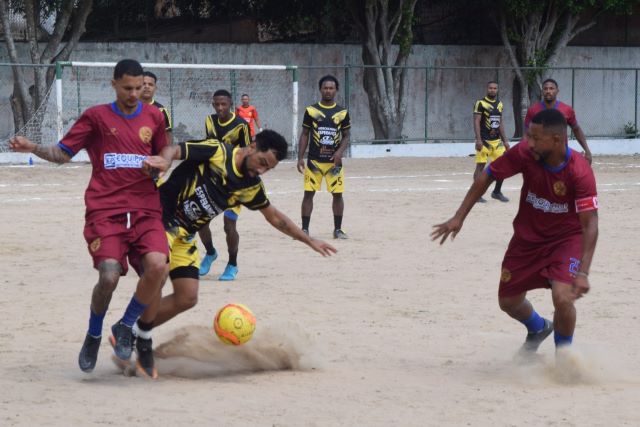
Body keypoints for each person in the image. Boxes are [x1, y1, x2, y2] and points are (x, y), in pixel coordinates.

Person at [9, 59, 170, 378]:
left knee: (158, 268)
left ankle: (125, 326)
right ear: (113, 85)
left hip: (145, 209)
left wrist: (163, 163)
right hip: (105, 210)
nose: (135, 94)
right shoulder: (96, 117)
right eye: (128, 88)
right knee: (108, 276)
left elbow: (166, 152)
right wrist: (32, 147)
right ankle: (94, 333)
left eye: (139, 88)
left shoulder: (154, 116)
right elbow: (62, 154)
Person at [432, 109, 598, 355]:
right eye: (527, 136)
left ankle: (564, 360)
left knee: (563, 298)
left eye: (534, 137)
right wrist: (459, 217)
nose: (528, 142)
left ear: (556, 140)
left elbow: (590, 225)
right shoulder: (524, 153)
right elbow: (487, 176)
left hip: (566, 240)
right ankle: (539, 327)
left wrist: (583, 272)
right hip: (526, 241)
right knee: (508, 302)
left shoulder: (580, 171)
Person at [141, 129, 337, 331]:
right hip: (161, 218)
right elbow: (173, 149)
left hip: (186, 235)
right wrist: (164, 161)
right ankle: (131, 330)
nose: (261, 171)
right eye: (262, 162)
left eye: (268, 169)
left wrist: (309, 240)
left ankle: (137, 330)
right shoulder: (217, 152)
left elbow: (275, 218)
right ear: (252, 146)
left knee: (187, 297)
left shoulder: (251, 187)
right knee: (159, 270)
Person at [197, 89, 251, 281]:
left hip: (234, 184)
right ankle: (210, 252)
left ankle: (232, 264)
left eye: (224, 104)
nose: (220, 108)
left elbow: (248, 154)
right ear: (213, 105)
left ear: (230, 105)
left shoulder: (241, 125)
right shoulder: (209, 121)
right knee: (201, 221)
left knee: (229, 226)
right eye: (217, 104)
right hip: (212, 181)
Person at [297, 75, 351, 239]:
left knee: (337, 195)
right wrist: (300, 157)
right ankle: (304, 230)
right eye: (325, 88)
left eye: (331, 88)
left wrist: (339, 152)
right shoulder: (311, 111)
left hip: (334, 163)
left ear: (336, 90)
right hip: (314, 161)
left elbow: (347, 135)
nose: (328, 91)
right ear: (320, 89)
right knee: (308, 194)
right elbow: (305, 134)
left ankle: (337, 229)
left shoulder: (342, 112)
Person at [525, 78, 592, 164]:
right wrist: (524, 152)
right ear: (542, 92)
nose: (548, 91)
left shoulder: (567, 110)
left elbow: (576, 129)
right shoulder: (533, 110)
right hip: (539, 157)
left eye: (551, 88)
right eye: (545, 89)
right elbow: (526, 134)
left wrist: (587, 150)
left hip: (561, 158)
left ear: (557, 91)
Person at [473, 81, 510, 203]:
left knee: (502, 167)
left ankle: (497, 192)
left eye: (495, 88)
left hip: (497, 142)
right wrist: (478, 139)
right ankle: (477, 194)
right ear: (487, 89)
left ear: (497, 90)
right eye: (490, 88)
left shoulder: (500, 104)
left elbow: (500, 123)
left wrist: (505, 141)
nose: (492, 90)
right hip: (484, 141)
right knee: (481, 166)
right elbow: (476, 121)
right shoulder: (480, 103)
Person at [140, 70, 172, 145]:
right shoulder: (130, 107)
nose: (147, 86)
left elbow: (167, 135)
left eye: (150, 84)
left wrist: (165, 155)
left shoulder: (161, 110)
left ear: (155, 88)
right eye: (143, 84)